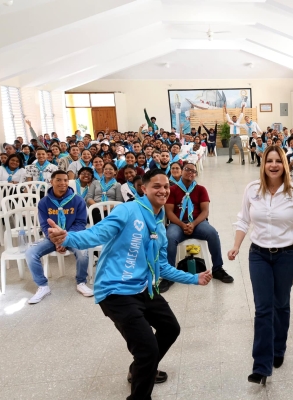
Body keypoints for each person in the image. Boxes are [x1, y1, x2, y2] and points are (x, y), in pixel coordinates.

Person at [46, 169, 212, 399]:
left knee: (170, 329)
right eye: (156, 186)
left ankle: (141, 370)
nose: (162, 190)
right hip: (116, 291)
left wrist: (194, 278)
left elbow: (162, 267)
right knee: (147, 350)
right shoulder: (128, 210)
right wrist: (68, 238)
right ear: (143, 188)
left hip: (144, 287)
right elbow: (97, 234)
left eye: (166, 186)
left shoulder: (159, 227)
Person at [229, 145, 293, 384]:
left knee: (281, 303)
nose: (273, 165)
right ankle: (261, 365)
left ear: (284, 164)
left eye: (278, 161)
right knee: (263, 308)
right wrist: (236, 246)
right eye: (269, 160)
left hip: (287, 254)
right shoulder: (252, 190)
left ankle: (279, 347)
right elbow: (243, 220)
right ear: (263, 164)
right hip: (259, 255)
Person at [24, 170, 93, 304]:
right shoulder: (44, 202)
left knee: (83, 252)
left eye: (66, 180)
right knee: (30, 252)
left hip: (73, 236)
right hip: (52, 238)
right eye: (59, 180)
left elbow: (80, 224)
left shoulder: (77, 200)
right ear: (52, 182)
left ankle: (81, 282)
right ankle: (42, 286)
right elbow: (44, 226)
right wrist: (56, 240)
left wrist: (65, 239)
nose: (63, 183)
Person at [165, 162, 234, 287]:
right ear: (181, 171)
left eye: (194, 171)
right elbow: (169, 212)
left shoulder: (200, 189)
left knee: (212, 233)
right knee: (170, 237)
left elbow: (205, 211)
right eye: (187, 169)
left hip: (198, 222)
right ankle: (169, 275)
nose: (191, 172)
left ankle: (218, 268)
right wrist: (182, 225)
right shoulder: (172, 190)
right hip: (177, 223)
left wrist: (193, 224)